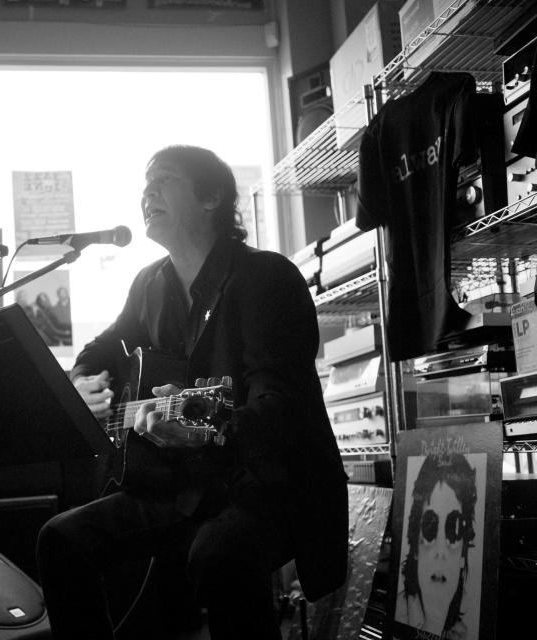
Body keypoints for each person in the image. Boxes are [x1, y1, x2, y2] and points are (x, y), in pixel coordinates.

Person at [36, 145, 348, 640]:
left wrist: (203, 428)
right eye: (145, 183)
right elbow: (100, 351)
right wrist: (82, 382)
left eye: (164, 179)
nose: (147, 192)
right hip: (182, 487)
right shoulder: (150, 285)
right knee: (60, 540)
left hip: (268, 484)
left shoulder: (268, 279)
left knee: (219, 552)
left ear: (211, 198)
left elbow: (280, 411)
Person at [396, 453, 477, 640]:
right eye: (430, 527)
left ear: (463, 555)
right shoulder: (398, 621)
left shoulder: (464, 633)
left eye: (453, 529)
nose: (441, 552)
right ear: (415, 548)